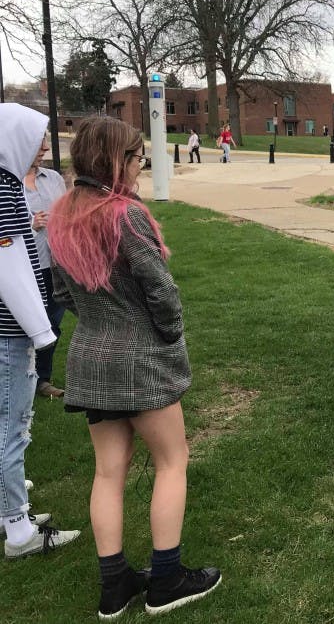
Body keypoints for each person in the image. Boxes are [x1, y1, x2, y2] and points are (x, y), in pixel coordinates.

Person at [48, 116, 220, 617]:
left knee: (108, 472)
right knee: (172, 461)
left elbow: (60, 292)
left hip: (89, 357)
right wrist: (165, 334)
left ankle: (114, 586)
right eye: (136, 156)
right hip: (141, 360)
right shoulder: (126, 214)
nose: (140, 165)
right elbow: (162, 292)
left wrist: (103, 320)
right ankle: (166, 579)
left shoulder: (59, 214)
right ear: (114, 161)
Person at [0, 102, 81, 559]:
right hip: (11, 330)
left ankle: (6, 504)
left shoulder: (8, 185)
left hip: (12, 329)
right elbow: (9, 265)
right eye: (34, 138)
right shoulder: (5, 190)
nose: (41, 147)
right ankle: (18, 531)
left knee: (7, 420)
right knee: (12, 426)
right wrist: (41, 332)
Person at [24, 135, 68, 398]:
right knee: (21, 327)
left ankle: (42, 379)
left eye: (45, 141)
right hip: (23, 269)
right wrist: (30, 225)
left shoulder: (54, 179)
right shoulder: (7, 183)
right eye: (37, 142)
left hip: (56, 266)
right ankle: (17, 377)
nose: (45, 148)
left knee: (51, 324)